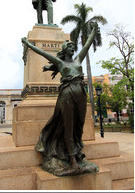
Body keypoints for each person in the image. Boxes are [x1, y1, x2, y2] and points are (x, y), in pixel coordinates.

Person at [21, 26, 98, 176]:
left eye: (72, 46)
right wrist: (28, 44)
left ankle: (77, 153)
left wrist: (93, 32)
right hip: (67, 94)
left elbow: (87, 45)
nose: (72, 47)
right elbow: (41, 52)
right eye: (69, 46)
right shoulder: (61, 63)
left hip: (81, 94)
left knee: (78, 126)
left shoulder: (77, 60)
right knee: (68, 125)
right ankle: (72, 159)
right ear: (64, 49)